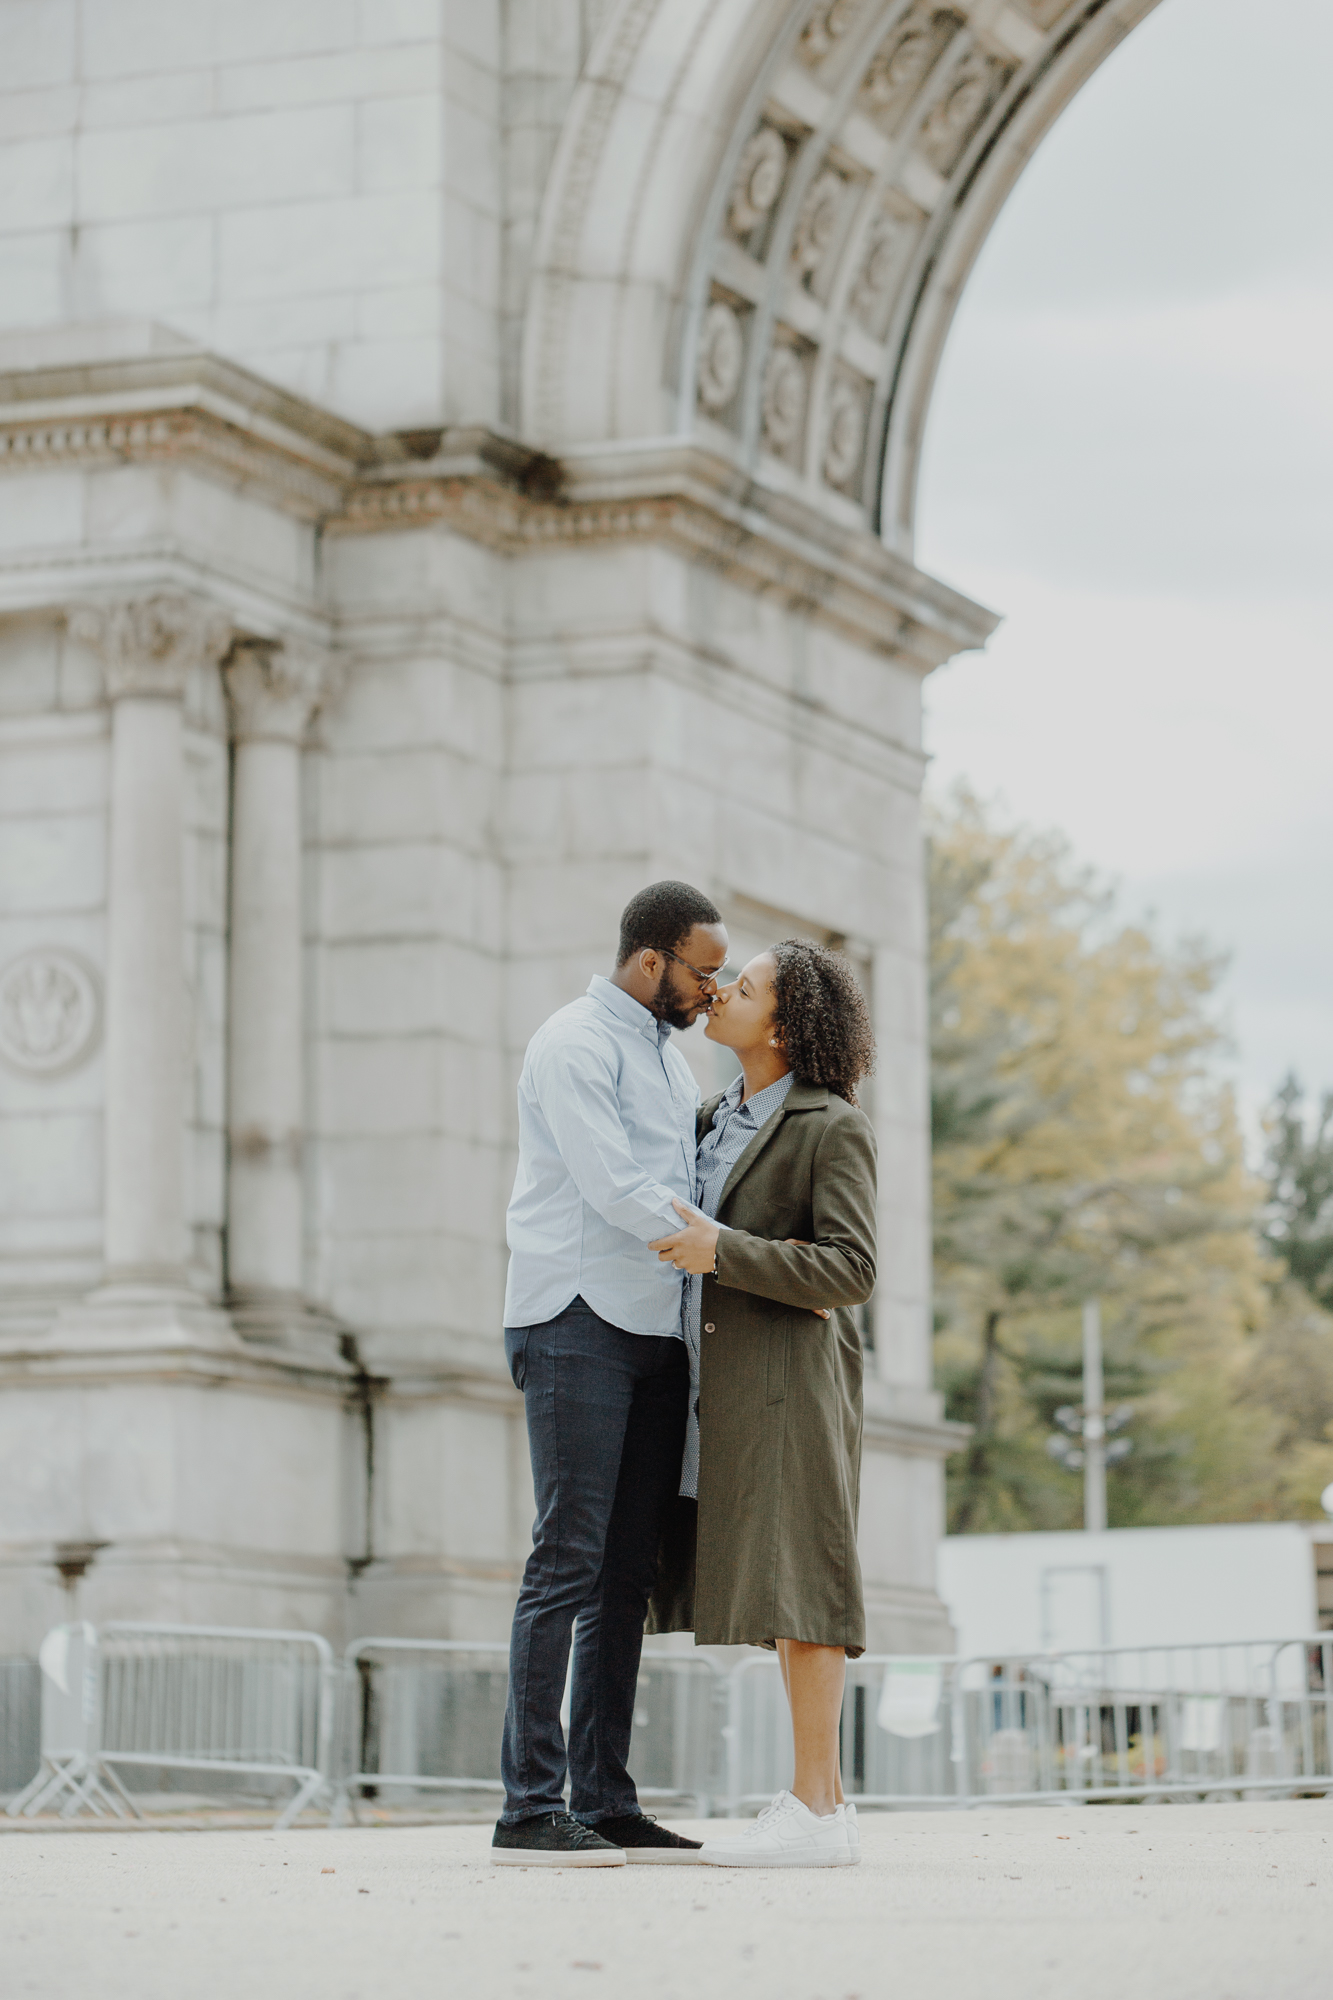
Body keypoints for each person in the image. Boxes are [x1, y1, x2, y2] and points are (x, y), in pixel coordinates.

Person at [491, 881, 730, 1866]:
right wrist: (722, 1245)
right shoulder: (572, 1044)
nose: (712, 993)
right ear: (650, 961)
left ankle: (604, 1796)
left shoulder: (669, 1064)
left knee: (624, 1575)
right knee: (568, 1558)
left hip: (654, 1331)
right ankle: (528, 1806)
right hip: (575, 1319)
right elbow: (613, 1186)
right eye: (702, 973)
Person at [647, 939, 876, 1869]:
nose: (718, 995)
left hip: (793, 1385)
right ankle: (818, 1807)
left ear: (779, 1025)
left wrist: (725, 1251)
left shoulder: (831, 1126)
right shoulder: (709, 1117)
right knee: (778, 1589)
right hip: (722, 1385)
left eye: (739, 989)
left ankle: (816, 1811)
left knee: (806, 1587)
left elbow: (851, 1270)